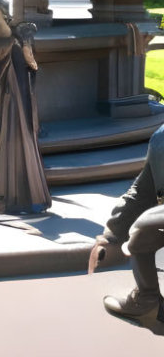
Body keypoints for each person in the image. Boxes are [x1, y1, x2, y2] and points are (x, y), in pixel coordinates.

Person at [0, 0, 51, 215]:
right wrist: (27, 43)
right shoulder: (16, 38)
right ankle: (25, 199)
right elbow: (33, 67)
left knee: (0, 146)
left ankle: (1, 199)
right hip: (16, 103)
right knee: (20, 144)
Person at [89, 124, 164, 322]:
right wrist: (112, 232)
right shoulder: (160, 140)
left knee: (144, 227)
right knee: (143, 228)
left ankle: (146, 300)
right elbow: (141, 191)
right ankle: (147, 301)